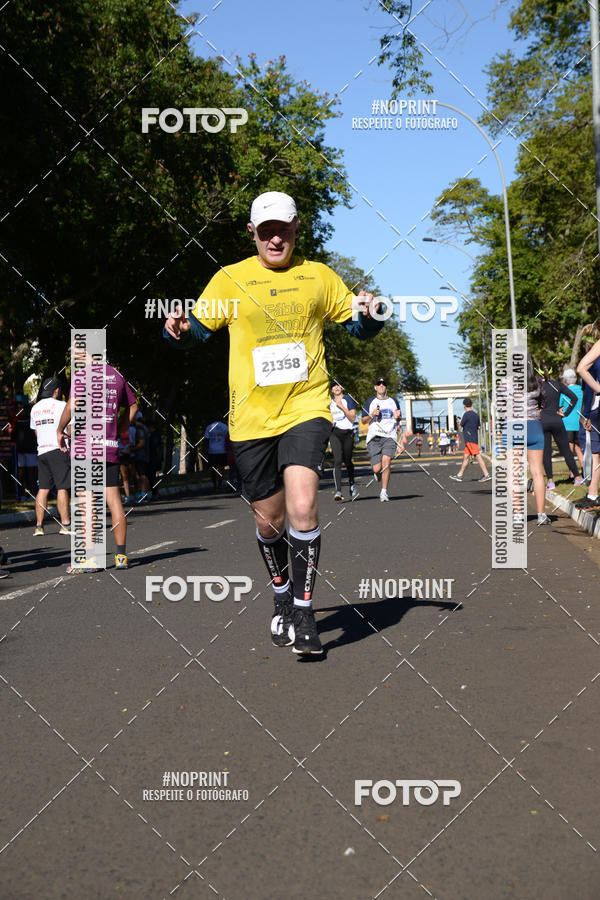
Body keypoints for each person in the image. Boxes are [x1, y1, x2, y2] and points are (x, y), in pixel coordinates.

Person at [164, 190, 383, 655]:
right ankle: (282, 593)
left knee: (303, 508)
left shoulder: (317, 276)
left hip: (306, 409)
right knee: (270, 522)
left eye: (283, 229)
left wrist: (372, 314)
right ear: (253, 233)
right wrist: (179, 333)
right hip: (250, 420)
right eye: (266, 231)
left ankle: (305, 614)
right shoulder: (230, 279)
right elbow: (198, 331)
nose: (275, 238)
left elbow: (357, 325)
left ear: (296, 228)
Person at [57, 355, 138, 571]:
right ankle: (121, 556)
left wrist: (59, 429)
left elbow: (70, 406)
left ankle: (90, 558)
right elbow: (133, 407)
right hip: (109, 446)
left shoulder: (83, 375)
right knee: (114, 500)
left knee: (88, 502)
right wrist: (120, 428)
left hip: (86, 448)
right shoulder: (117, 376)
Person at [30, 378, 72, 536]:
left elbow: (35, 431)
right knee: (62, 487)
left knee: (43, 489)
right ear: (56, 390)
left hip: (42, 450)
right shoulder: (63, 406)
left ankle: (39, 526)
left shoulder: (35, 408)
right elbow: (71, 430)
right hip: (58, 449)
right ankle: (65, 525)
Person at [361, 377, 402, 502]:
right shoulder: (370, 401)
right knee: (377, 468)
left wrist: (398, 418)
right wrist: (372, 414)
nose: (381, 386)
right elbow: (363, 421)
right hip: (374, 437)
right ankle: (377, 473)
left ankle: (384, 491)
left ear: (386, 387)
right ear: (375, 387)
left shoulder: (394, 401)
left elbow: (398, 419)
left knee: (387, 462)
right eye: (379, 384)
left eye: (383, 384)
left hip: (389, 436)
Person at [540, 370, 582, 490]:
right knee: (566, 451)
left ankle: (550, 482)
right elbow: (574, 398)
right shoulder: (558, 384)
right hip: (557, 420)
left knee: (546, 452)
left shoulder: (539, 386)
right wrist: (565, 413)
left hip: (543, 421)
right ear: (552, 371)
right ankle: (578, 478)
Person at [575, 321, 600, 511]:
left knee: (596, 453)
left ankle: (593, 494)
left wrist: (585, 416)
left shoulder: (593, 355)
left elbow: (582, 369)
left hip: (596, 407)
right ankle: (592, 494)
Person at [450, 398, 491, 482]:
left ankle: (486, 474)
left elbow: (460, 427)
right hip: (473, 438)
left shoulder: (466, 415)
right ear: (471, 404)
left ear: (464, 405)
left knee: (477, 456)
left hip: (470, 439)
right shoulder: (476, 415)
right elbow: (478, 427)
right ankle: (459, 475)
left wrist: (460, 422)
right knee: (466, 457)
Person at [329, 381, 357, 501]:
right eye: (333, 386)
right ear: (331, 390)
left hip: (348, 433)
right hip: (335, 433)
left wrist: (342, 407)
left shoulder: (348, 399)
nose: (336, 387)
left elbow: (352, 417)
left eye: (338, 385)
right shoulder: (328, 402)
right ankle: (338, 491)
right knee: (337, 460)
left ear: (342, 387)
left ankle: (352, 482)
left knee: (347, 460)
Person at [560, 368, 584, 471]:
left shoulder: (564, 392)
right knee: (579, 449)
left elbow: (559, 407)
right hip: (580, 423)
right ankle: (584, 471)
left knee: (569, 450)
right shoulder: (582, 389)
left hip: (568, 423)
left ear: (565, 380)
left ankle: (573, 474)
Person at [204, 420, 229, 491]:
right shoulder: (225, 427)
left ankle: (214, 485)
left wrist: (205, 451)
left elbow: (206, 439)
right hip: (222, 450)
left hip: (212, 451)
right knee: (221, 469)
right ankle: (219, 485)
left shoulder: (209, 427)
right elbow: (228, 437)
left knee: (213, 468)